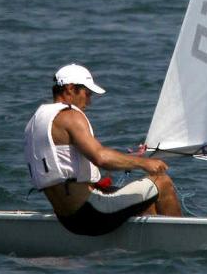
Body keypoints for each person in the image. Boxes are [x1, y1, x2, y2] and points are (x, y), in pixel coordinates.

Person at [24, 63, 182, 236]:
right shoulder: (70, 116)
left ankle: (153, 244)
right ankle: (180, 239)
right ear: (70, 89)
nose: (89, 102)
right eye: (87, 94)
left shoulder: (36, 121)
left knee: (145, 201)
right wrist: (144, 163)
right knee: (161, 182)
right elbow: (101, 158)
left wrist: (130, 160)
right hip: (92, 215)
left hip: (67, 219)